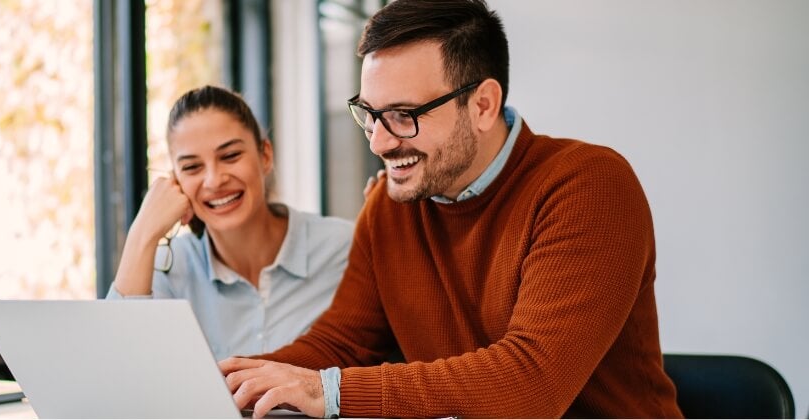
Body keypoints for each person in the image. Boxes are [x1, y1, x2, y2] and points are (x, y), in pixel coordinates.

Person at [218, 0, 684, 418]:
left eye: (404, 115)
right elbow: (344, 343)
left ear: (482, 105)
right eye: (371, 114)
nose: (379, 142)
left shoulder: (588, 185)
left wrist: (328, 392)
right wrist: (230, 387)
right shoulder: (391, 203)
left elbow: (531, 384)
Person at [106, 85, 353, 362]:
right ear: (175, 180)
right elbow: (116, 367)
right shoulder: (168, 269)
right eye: (191, 167)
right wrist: (143, 233)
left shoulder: (344, 248)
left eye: (230, 156)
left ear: (265, 156)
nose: (214, 180)